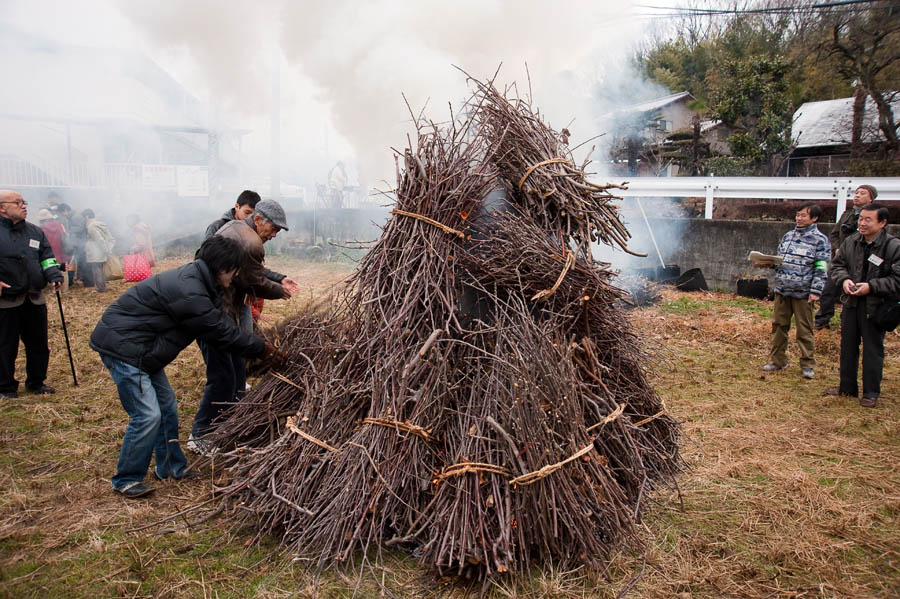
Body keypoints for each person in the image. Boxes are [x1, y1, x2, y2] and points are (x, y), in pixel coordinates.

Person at [90, 236, 285, 498]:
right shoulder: (190, 290)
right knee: (148, 414)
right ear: (223, 267)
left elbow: (222, 325)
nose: (236, 275)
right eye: (235, 270)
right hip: (125, 349)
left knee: (167, 406)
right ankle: (126, 478)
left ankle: (170, 466)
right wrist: (262, 349)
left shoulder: (202, 282)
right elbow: (218, 329)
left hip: (143, 349)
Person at [189, 199, 299, 453]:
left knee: (237, 370)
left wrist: (279, 278)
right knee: (222, 375)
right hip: (215, 314)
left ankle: (229, 419)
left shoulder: (235, 229)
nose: (274, 235)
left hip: (220, 308)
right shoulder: (251, 241)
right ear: (258, 219)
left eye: (278, 232)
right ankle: (201, 434)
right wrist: (280, 291)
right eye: (273, 229)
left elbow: (253, 270)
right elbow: (254, 281)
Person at [825, 204, 900, 408]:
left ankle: (871, 392)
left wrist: (872, 287)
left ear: (882, 223)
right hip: (851, 303)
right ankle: (847, 387)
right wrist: (845, 280)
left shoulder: (893, 247)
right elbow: (837, 265)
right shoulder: (852, 241)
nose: (862, 223)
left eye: (868, 220)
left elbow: (897, 279)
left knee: (872, 349)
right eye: (861, 219)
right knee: (848, 347)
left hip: (876, 306)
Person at [0, 190, 64, 398]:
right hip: (6, 301)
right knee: (5, 346)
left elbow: (46, 256)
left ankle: (36, 382)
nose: (24, 206)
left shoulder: (35, 231)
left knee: (39, 344)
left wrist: (53, 273)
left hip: (34, 297)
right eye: (17, 202)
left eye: (24, 202)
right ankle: (5, 387)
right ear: (2, 207)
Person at [762, 203, 831, 379]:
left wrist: (816, 290)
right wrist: (770, 263)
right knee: (778, 326)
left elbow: (821, 267)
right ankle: (778, 361)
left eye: (803, 216)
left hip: (804, 293)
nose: (799, 218)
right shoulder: (788, 236)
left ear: (814, 218)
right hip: (783, 290)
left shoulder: (820, 240)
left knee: (804, 330)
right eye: (797, 215)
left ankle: (807, 365)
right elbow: (781, 260)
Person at [815, 184, 876, 329]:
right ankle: (822, 320)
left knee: (851, 292)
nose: (857, 195)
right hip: (840, 260)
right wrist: (837, 248)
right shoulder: (847, 214)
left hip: (858, 262)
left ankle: (846, 322)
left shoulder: (873, 218)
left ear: (871, 199)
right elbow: (835, 234)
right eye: (856, 192)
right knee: (828, 289)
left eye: (862, 193)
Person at [83, 209, 114, 293]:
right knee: (100, 269)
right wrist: (108, 249)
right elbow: (109, 238)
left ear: (86, 217)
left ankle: (100, 288)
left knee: (97, 270)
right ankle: (102, 286)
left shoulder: (91, 226)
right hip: (102, 250)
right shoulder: (101, 224)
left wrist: (105, 250)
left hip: (96, 251)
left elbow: (99, 239)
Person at [38, 208, 69, 291]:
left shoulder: (40, 229)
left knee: (53, 270)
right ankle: (64, 290)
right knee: (64, 270)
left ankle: (56, 289)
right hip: (61, 251)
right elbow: (65, 237)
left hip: (49, 254)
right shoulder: (60, 225)